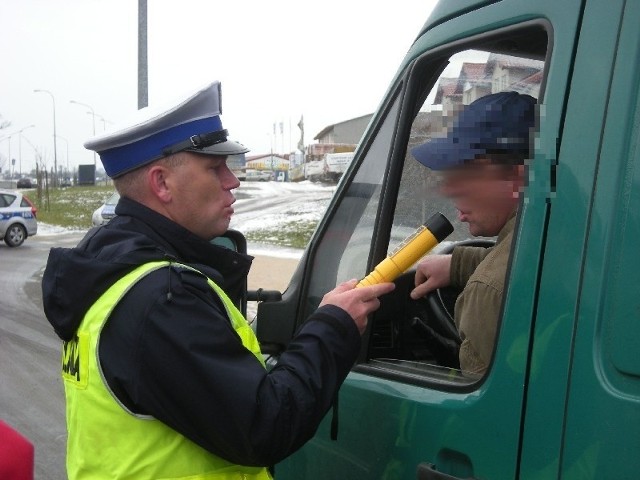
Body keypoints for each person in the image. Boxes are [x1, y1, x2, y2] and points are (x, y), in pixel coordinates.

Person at [42, 81, 394, 479]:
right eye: (214, 167)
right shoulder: (162, 298)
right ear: (161, 184)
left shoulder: (110, 273)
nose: (233, 181)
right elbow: (266, 424)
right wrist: (334, 325)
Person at [409, 91, 536, 375]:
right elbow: (522, 266)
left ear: (517, 177)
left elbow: (478, 413)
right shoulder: (573, 232)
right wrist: (458, 264)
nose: (456, 201)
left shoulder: (488, 292)